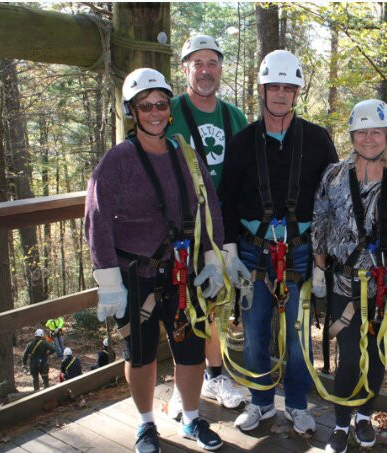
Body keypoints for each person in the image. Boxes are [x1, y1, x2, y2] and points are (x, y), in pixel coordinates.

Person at [85, 67, 225, 453]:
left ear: (169, 108)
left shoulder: (187, 156)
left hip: (184, 271)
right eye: (145, 106)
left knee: (191, 350)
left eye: (161, 104)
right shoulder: (117, 162)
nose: (155, 112)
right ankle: (146, 424)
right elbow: (97, 220)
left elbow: (209, 206)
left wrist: (213, 259)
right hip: (138, 276)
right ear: (133, 111)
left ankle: (192, 418)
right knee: (141, 354)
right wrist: (109, 283)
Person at [220, 49, 338, 435]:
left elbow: (331, 200)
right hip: (254, 250)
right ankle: (261, 402)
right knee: (254, 332)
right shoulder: (242, 143)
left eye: (289, 87)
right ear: (262, 89)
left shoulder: (318, 141)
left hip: (301, 250)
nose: (281, 94)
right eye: (275, 87)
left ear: (298, 93)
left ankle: (299, 403)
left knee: (299, 336)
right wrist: (229, 249)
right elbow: (227, 199)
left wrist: (323, 260)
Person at [312, 100, 387, 453]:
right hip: (344, 280)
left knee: (376, 352)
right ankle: (340, 423)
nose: (369, 139)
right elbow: (320, 217)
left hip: (383, 284)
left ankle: (364, 415)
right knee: (350, 355)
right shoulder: (334, 175)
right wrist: (320, 266)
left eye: (376, 132)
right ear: (352, 135)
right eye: (362, 132)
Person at [166, 33, 247, 418]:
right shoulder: (170, 112)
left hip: (223, 228)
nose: (205, 70)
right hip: (181, 226)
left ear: (220, 68)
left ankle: (214, 375)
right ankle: (185, 382)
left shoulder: (234, 117)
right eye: (197, 63)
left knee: (215, 305)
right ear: (185, 69)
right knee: (181, 302)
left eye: (211, 62)